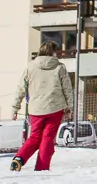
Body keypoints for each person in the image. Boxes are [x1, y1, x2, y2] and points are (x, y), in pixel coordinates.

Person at [9, 42, 74, 173]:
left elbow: (20, 89)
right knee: (47, 138)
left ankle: (19, 158)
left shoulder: (30, 67)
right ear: (53, 52)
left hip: (35, 109)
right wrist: (69, 107)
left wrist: (15, 108)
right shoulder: (60, 67)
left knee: (34, 136)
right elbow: (67, 89)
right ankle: (42, 168)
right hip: (54, 108)